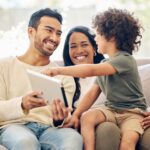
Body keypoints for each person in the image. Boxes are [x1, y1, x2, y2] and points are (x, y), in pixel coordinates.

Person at [43, 8, 147, 150]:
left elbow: (91, 70)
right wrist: (76, 115)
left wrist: (58, 70)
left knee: (127, 143)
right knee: (87, 117)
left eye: (97, 34)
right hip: (112, 109)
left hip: (133, 113)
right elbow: (92, 93)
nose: (96, 39)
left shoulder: (125, 60)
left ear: (111, 37)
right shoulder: (105, 65)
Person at [0, 8, 83, 150]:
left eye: (58, 33)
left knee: (73, 138)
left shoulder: (64, 74)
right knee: (26, 142)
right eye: (49, 30)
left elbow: (63, 117)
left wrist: (59, 119)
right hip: (15, 126)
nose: (55, 38)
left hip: (50, 129)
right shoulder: (4, 66)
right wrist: (22, 103)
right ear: (31, 32)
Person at [63, 26, 105, 108]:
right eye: (73, 46)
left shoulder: (107, 73)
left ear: (94, 49)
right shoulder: (64, 80)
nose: (79, 51)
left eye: (84, 45)